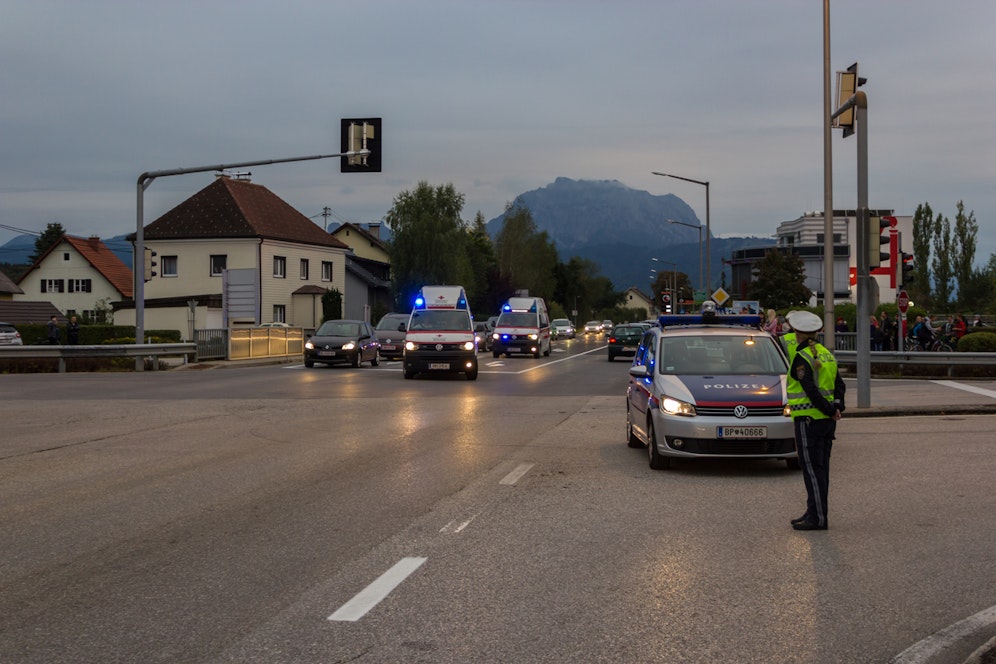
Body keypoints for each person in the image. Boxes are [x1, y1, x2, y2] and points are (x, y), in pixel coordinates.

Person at [784, 310, 845, 531]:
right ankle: (814, 511)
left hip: (808, 420)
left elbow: (809, 389)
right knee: (821, 469)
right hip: (826, 421)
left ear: (796, 332)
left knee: (811, 469)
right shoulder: (826, 353)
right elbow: (840, 385)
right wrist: (837, 407)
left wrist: (829, 409)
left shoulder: (802, 357)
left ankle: (817, 517)